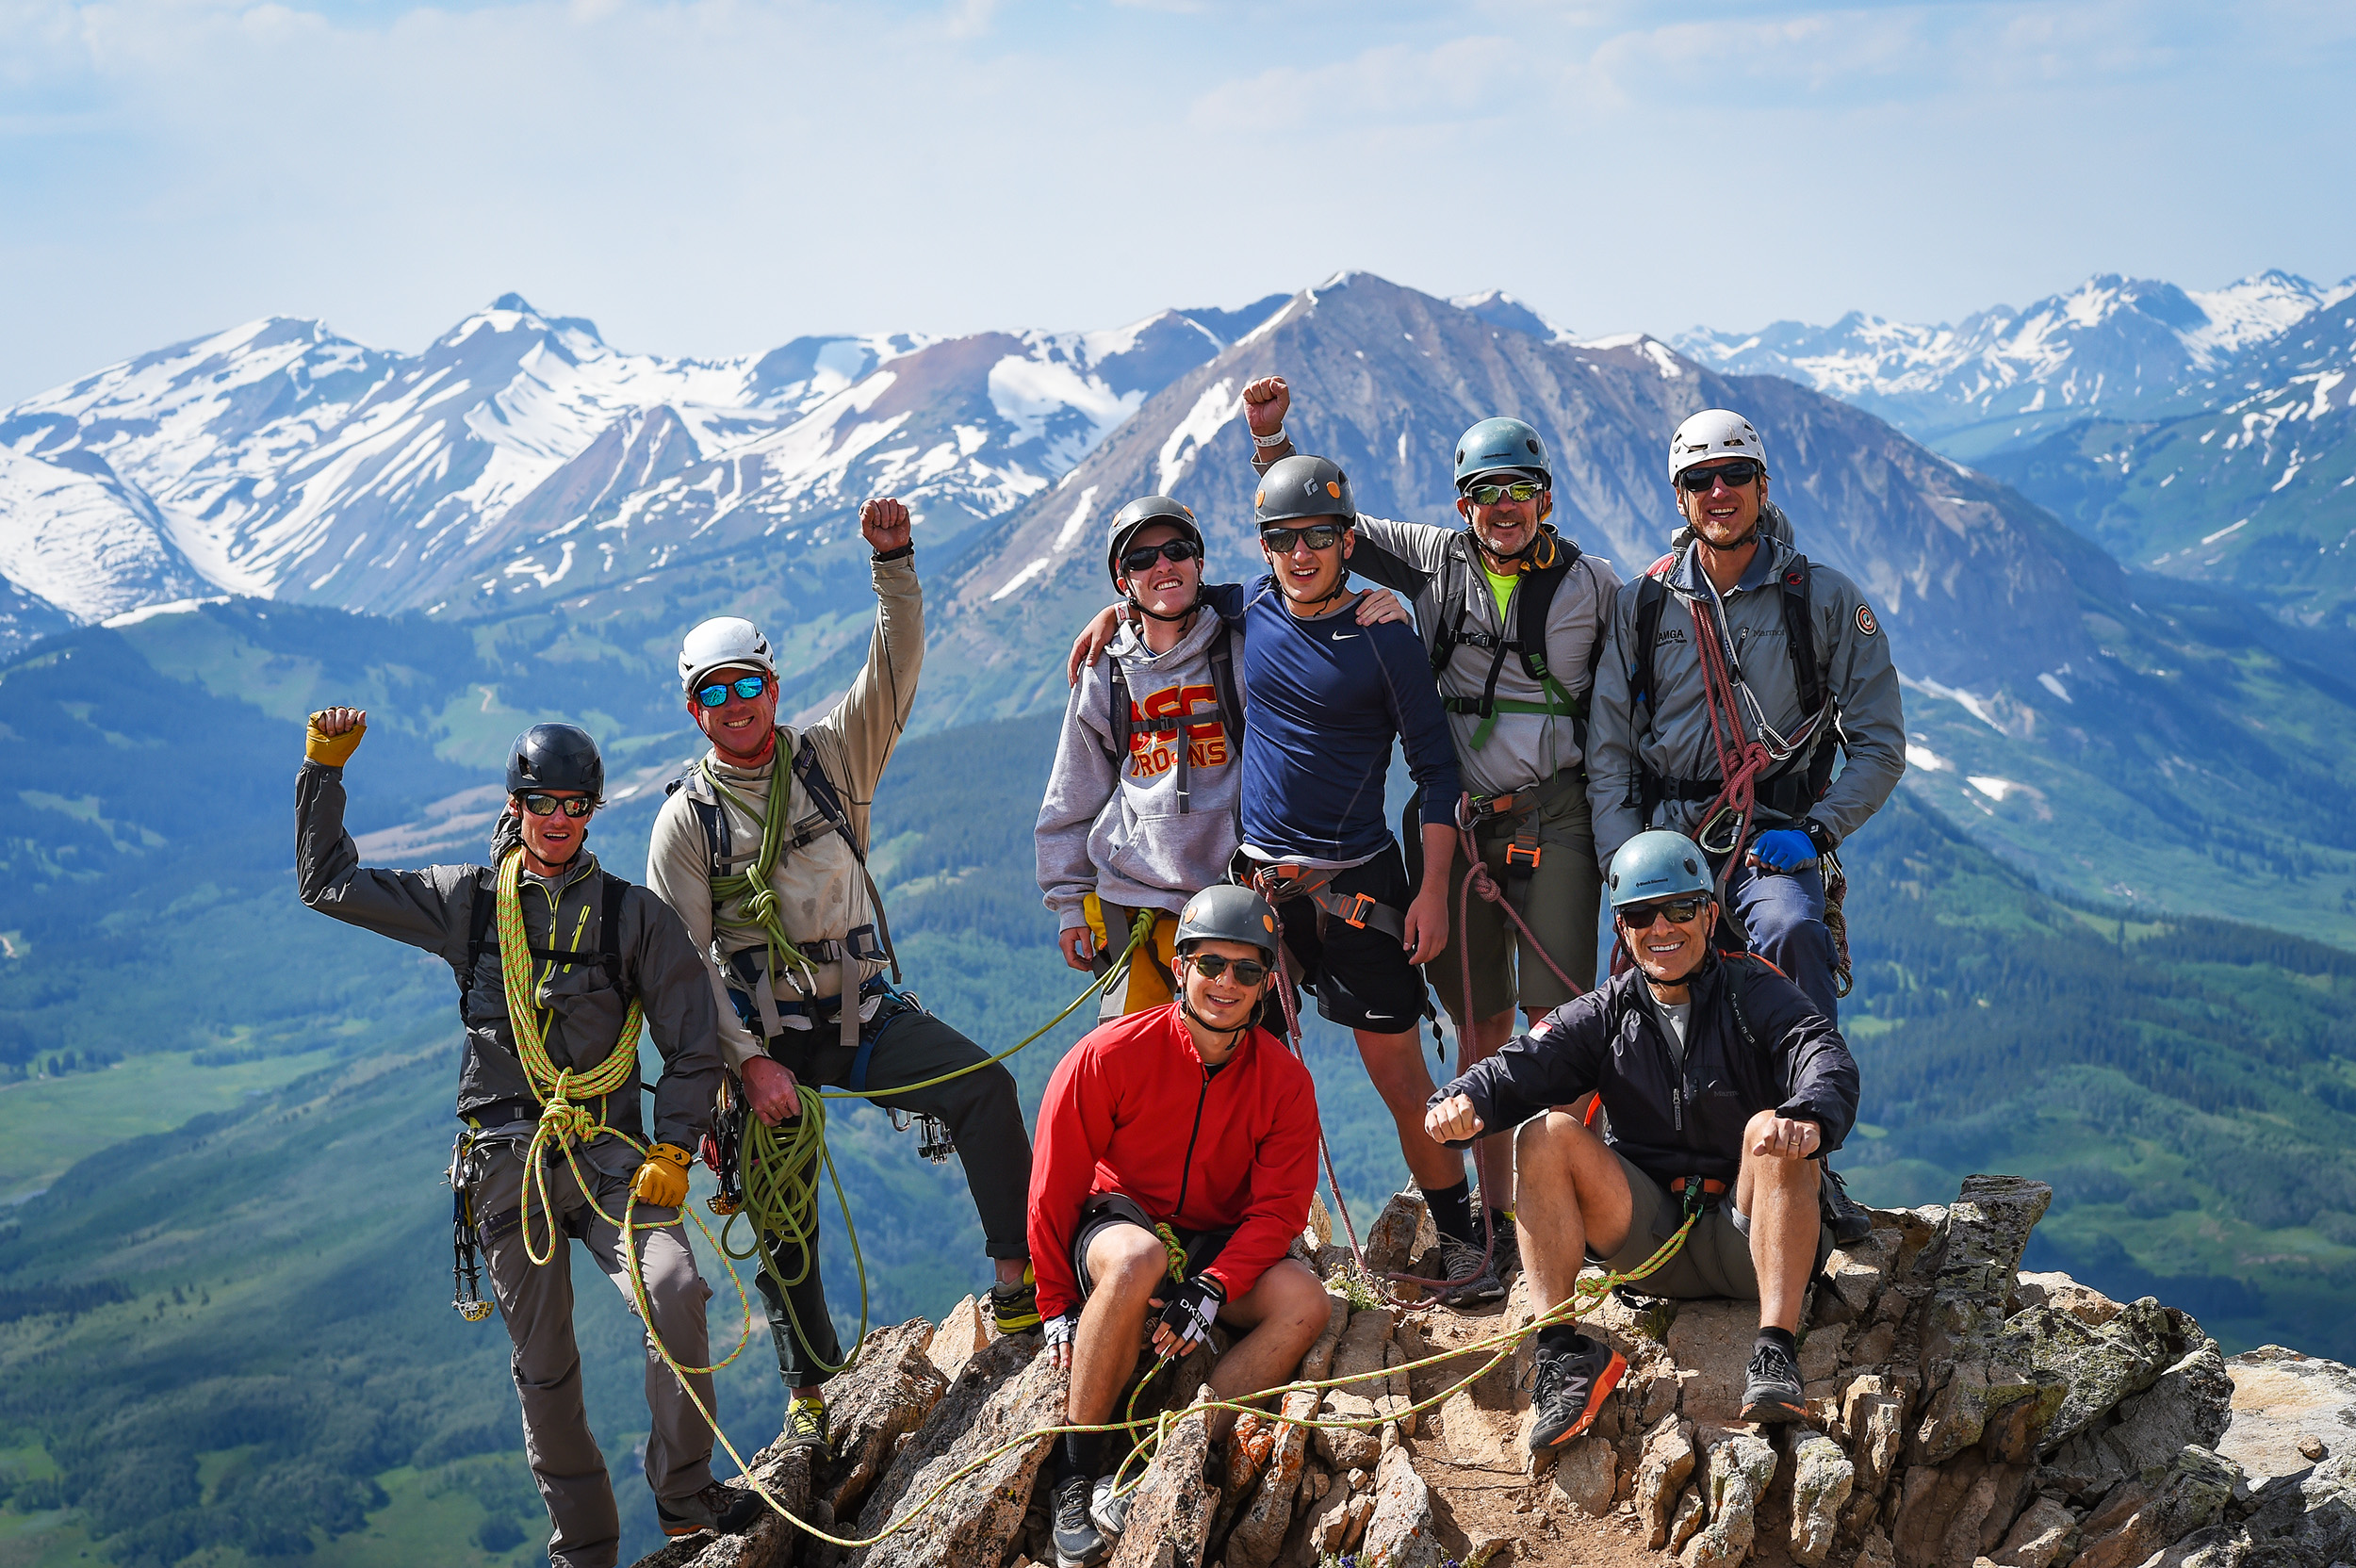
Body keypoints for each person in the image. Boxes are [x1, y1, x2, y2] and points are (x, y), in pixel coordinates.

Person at [296, 712, 760, 1566]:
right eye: (543, 802)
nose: (559, 819)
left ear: (592, 810)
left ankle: (685, 1491)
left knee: (678, 1289)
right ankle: (584, 1547)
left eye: (576, 804)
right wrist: (324, 772)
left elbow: (692, 1043)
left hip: (613, 1154)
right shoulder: (466, 903)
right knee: (544, 1364)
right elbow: (329, 882)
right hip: (508, 1161)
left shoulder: (634, 918)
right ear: (517, 805)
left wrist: (673, 1148)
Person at [646, 497, 1036, 1462]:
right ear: (695, 708)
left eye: (749, 685)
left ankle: (1018, 1283)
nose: (737, 705)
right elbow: (683, 965)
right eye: (715, 694)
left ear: (773, 685)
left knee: (982, 1088)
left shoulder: (827, 759)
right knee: (782, 1203)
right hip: (764, 1030)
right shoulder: (685, 821)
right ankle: (810, 1384)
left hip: (859, 1008)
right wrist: (745, 1069)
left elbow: (893, 671)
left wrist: (894, 563)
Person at [1242, 378, 1623, 1301]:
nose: (1500, 508)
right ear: (1463, 504)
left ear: (1543, 498)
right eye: (1484, 493)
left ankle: (1576, 1206)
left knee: (1560, 1019)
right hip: (1459, 827)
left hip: (1551, 811)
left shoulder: (1594, 585)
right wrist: (1269, 440)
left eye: (1516, 491)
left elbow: (1634, 688)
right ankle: (1491, 1228)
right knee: (1481, 1025)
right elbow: (1323, 521)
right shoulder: (1426, 558)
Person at [1423, 830, 1859, 1446]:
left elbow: (1821, 1053)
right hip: (1650, 1240)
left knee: (1772, 1131)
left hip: (1749, 1239)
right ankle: (1563, 1359)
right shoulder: (1608, 1012)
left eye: (1681, 909)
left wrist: (1809, 1116)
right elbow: (1524, 1062)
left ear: (1710, 914)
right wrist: (1461, 1101)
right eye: (1641, 914)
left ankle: (1775, 1355)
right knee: (1543, 1136)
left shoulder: (1754, 992)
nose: (1664, 928)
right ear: (1622, 928)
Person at [1029, 885, 1332, 1568]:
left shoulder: (1283, 1082)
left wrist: (1216, 1284)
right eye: (1211, 965)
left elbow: (1281, 1207)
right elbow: (1055, 1185)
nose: (1227, 983)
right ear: (1180, 968)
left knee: (1305, 1304)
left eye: (1247, 970)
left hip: (1212, 1244)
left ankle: (1165, 1458)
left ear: (1266, 985)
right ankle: (1075, 1475)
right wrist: (1055, 1305)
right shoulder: (1109, 1055)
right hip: (1121, 1224)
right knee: (1137, 1261)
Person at [1585, 407, 1905, 1023]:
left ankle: (1807, 1104)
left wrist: (1817, 832)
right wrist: (1623, 867)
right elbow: (1610, 755)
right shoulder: (1643, 605)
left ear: (1764, 485)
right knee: (1639, 1005)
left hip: (1773, 836)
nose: (1719, 491)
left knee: (1793, 931)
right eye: (1700, 480)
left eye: (1735, 473)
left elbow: (1881, 747)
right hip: (1667, 840)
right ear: (1680, 498)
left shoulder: (1822, 599)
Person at [1037, 495, 1407, 1018]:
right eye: (1141, 559)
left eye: (1177, 550)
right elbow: (1071, 793)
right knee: (1138, 1069)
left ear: (1199, 562)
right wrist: (1068, 903)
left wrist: (1382, 610)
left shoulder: (1242, 648)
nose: (1162, 565)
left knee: (1236, 1059)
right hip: (1131, 901)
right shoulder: (1106, 672)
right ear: (1123, 580)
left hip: (1232, 897)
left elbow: (1312, 606)